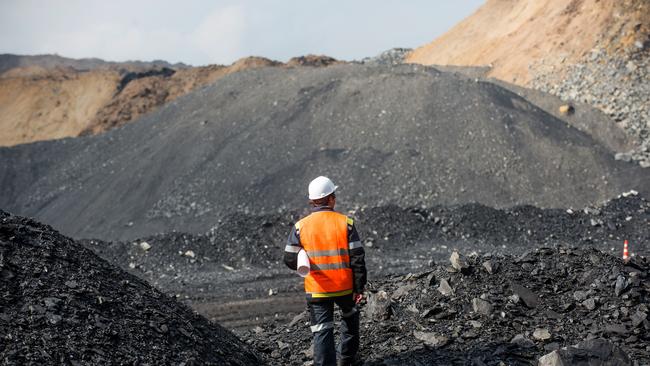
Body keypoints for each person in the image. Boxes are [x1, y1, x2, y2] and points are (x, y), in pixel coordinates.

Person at [284, 176, 367, 366]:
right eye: (334, 195)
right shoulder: (345, 223)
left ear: (312, 201)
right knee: (350, 320)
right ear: (331, 198)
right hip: (345, 287)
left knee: (322, 330)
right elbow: (357, 258)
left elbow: (289, 258)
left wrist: (306, 263)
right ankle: (347, 359)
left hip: (317, 289)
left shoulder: (300, 227)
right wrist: (359, 287)